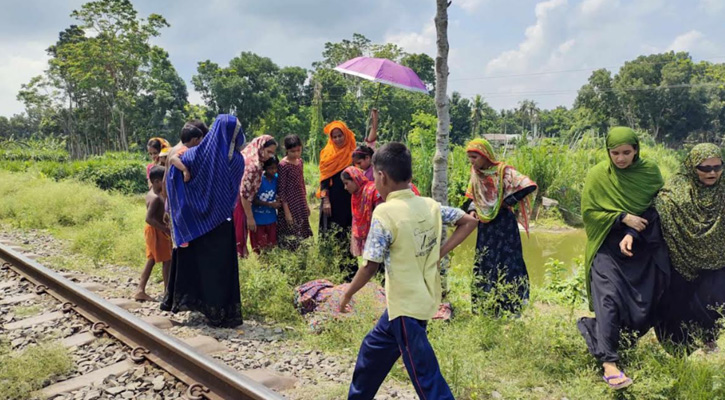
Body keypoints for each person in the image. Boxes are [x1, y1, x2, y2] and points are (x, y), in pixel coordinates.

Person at [339, 142, 478, 400]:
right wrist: (439, 252)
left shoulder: (385, 212)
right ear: (409, 175)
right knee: (371, 351)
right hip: (412, 301)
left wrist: (347, 294)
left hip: (406, 307)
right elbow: (468, 221)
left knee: (425, 376)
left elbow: (370, 265)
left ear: (381, 176)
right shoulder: (430, 206)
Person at [577, 127, 668, 390]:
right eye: (614, 153)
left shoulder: (649, 173)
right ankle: (609, 363)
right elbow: (590, 212)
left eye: (626, 152)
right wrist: (620, 217)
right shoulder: (598, 175)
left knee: (642, 306)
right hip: (606, 245)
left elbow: (655, 208)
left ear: (636, 150)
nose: (620, 158)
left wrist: (631, 230)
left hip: (639, 245)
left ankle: (599, 333)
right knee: (608, 300)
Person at [161, 114, 246, 327]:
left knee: (201, 268)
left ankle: (203, 309)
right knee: (220, 270)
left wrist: (185, 174)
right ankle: (220, 313)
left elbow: (172, 167)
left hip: (198, 225)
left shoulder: (195, 155)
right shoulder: (237, 159)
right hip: (222, 224)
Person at [655, 143, 725, 353]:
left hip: (719, 261)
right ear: (692, 167)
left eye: (717, 167)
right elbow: (661, 205)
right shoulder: (675, 192)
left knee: (713, 300)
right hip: (682, 260)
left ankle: (709, 340)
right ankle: (678, 349)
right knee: (676, 306)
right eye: (705, 168)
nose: (712, 173)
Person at [465, 138, 537, 315]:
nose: (472, 161)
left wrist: (507, 201)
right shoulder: (475, 173)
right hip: (485, 225)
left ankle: (511, 305)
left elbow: (528, 185)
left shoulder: (503, 171)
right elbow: (473, 195)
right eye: (470, 157)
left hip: (504, 224)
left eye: (475, 157)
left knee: (508, 261)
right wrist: (473, 210)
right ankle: (485, 305)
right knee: (485, 261)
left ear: (485, 155)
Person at [318, 121, 358, 279]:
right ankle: (331, 270)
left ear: (346, 134)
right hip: (332, 201)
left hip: (349, 199)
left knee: (348, 233)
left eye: (340, 135)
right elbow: (323, 181)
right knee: (332, 234)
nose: (338, 139)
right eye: (334, 137)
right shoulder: (327, 153)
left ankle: (350, 271)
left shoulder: (352, 151)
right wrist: (325, 200)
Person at [233, 135, 278, 257]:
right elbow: (244, 194)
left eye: (272, 153)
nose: (269, 156)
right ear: (261, 147)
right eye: (268, 151)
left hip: (238, 200)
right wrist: (250, 217)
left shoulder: (249, 156)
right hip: (240, 203)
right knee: (240, 235)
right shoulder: (253, 165)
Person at [136, 165, 172, 302]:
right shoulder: (155, 198)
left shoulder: (154, 192)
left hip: (156, 230)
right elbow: (149, 218)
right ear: (157, 181)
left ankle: (140, 289)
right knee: (167, 260)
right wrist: (165, 229)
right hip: (156, 230)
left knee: (151, 259)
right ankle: (167, 292)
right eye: (164, 180)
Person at [277, 135, 313, 250]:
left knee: (302, 230)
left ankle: (302, 254)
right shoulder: (283, 165)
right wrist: (287, 212)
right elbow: (281, 190)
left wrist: (306, 204)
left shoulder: (300, 162)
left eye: (298, 150)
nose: (296, 154)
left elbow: (302, 183)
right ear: (286, 150)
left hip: (300, 201)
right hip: (289, 204)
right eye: (293, 151)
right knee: (290, 231)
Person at [341, 166, 382, 257]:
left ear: (355, 179)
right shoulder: (355, 196)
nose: (345, 187)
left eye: (347, 183)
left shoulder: (372, 190)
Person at [250, 156, 280, 253]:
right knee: (260, 249)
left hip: (271, 219)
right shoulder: (259, 180)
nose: (274, 170)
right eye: (271, 168)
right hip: (258, 219)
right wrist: (270, 204)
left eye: (276, 168)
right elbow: (253, 200)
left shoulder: (276, 179)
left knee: (271, 247)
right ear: (265, 168)